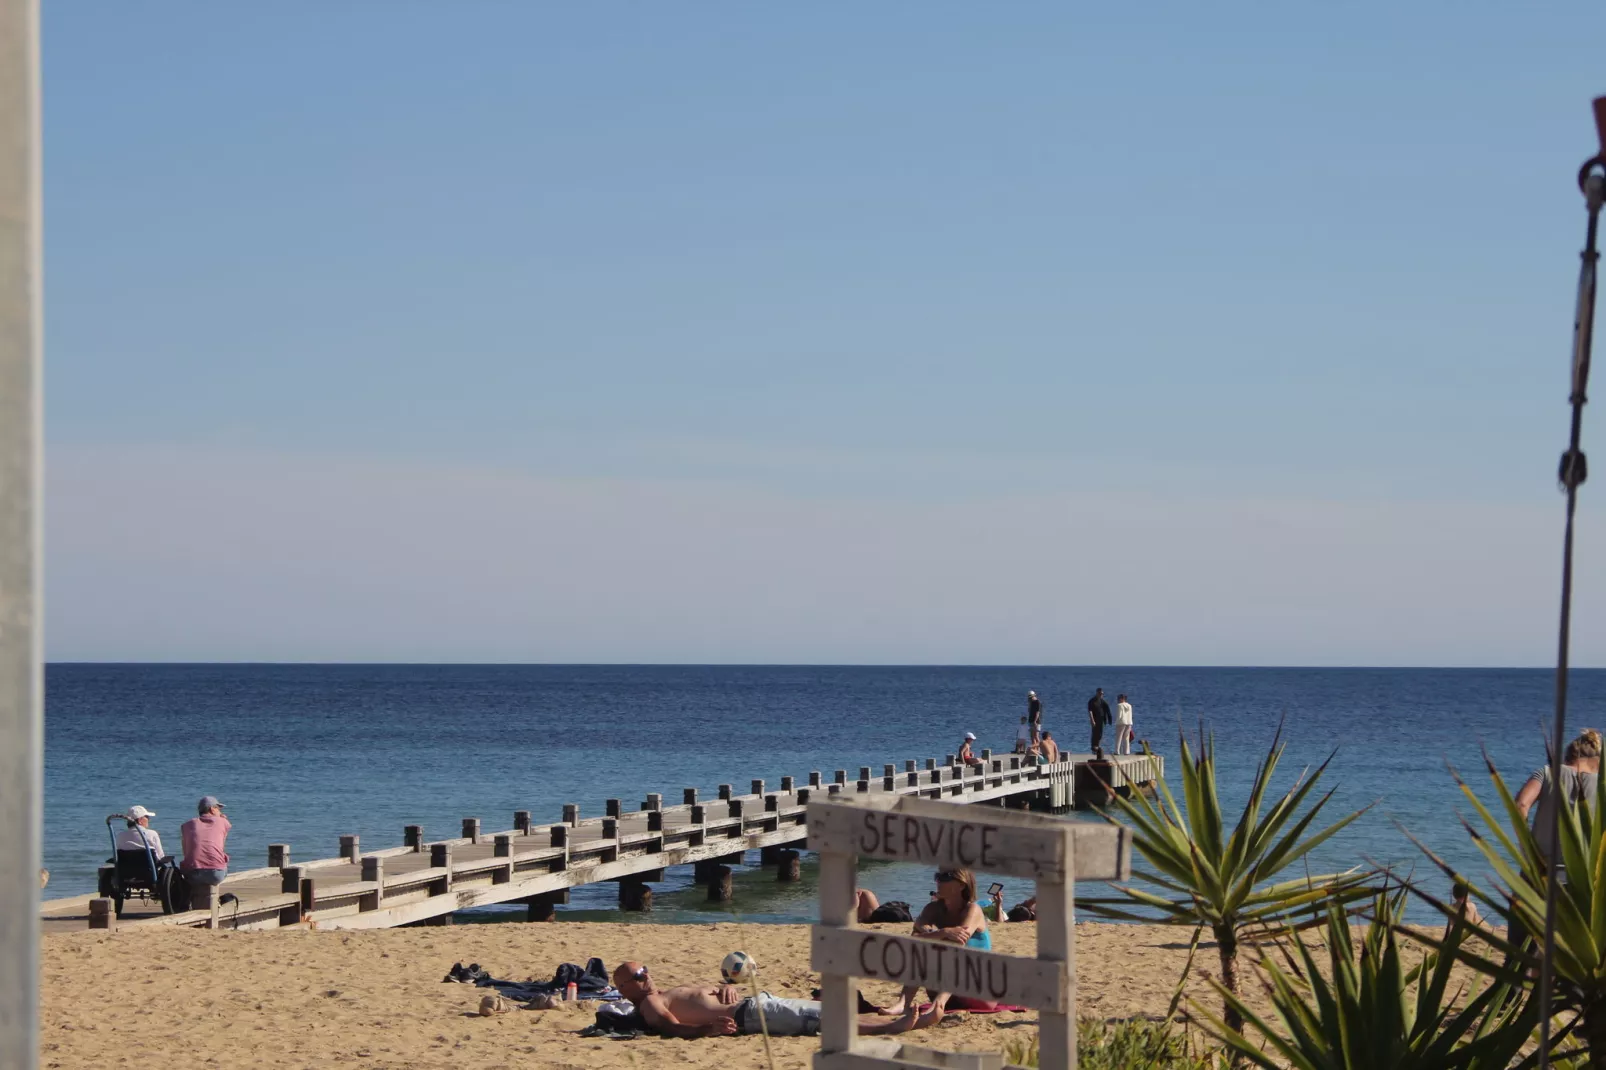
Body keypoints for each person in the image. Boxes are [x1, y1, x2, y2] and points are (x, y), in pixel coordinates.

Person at [611, 961, 890, 1037]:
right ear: (625, 989)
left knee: (818, 1009)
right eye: (638, 975)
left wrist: (721, 987)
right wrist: (708, 1029)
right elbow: (671, 1027)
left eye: (644, 970)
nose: (646, 976)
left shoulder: (660, 994)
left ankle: (885, 1019)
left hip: (753, 1003)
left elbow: (698, 996)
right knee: (817, 1019)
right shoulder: (650, 1004)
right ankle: (892, 1027)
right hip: (750, 1015)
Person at [1507, 728, 1600, 951]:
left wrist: (1528, 850)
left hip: (1538, 875)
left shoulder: (1547, 773)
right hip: (1581, 886)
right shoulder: (1603, 786)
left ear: (1570, 756)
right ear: (1596, 761)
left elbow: (1520, 805)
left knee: (1519, 955)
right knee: (1571, 961)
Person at [874, 868, 993, 1030]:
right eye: (938, 876)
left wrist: (931, 935)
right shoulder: (932, 909)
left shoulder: (973, 910)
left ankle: (939, 1005)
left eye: (945, 877)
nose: (938, 881)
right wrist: (943, 932)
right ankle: (903, 1003)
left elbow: (959, 943)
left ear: (961, 885)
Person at [180, 795, 232, 910]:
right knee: (220, 864)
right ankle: (214, 902)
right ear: (212, 809)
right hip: (215, 874)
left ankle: (191, 900)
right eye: (218, 809)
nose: (219, 812)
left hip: (191, 873)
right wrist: (223, 819)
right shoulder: (222, 822)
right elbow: (222, 842)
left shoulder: (188, 824)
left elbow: (185, 849)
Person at [1087, 688, 1111, 754]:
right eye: (1100, 693)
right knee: (1095, 734)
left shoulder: (1102, 701)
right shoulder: (1092, 701)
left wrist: (1108, 719)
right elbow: (1090, 711)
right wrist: (1092, 720)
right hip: (1095, 720)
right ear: (1097, 693)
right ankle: (1093, 748)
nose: (1101, 695)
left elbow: (1106, 710)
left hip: (1101, 720)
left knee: (1100, 734)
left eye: (1102, 694)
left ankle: (1097, 746)